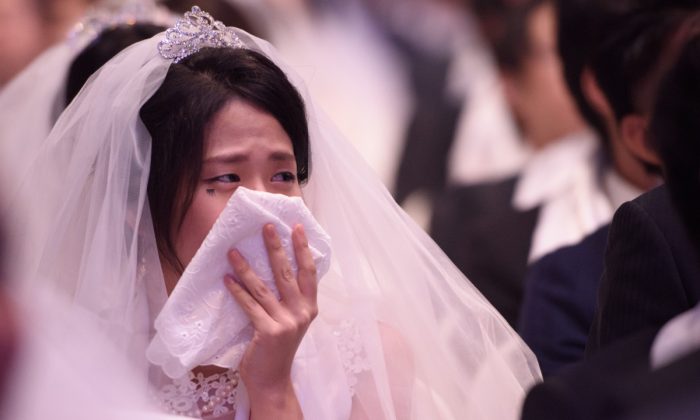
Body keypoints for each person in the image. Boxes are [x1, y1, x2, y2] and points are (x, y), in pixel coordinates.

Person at [18, 7, 541, 420]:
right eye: (225, 178)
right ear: (136, 202)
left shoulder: (367, 355)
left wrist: (272, 390)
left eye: (283, 175)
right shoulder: (80, 355)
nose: (263, 206)